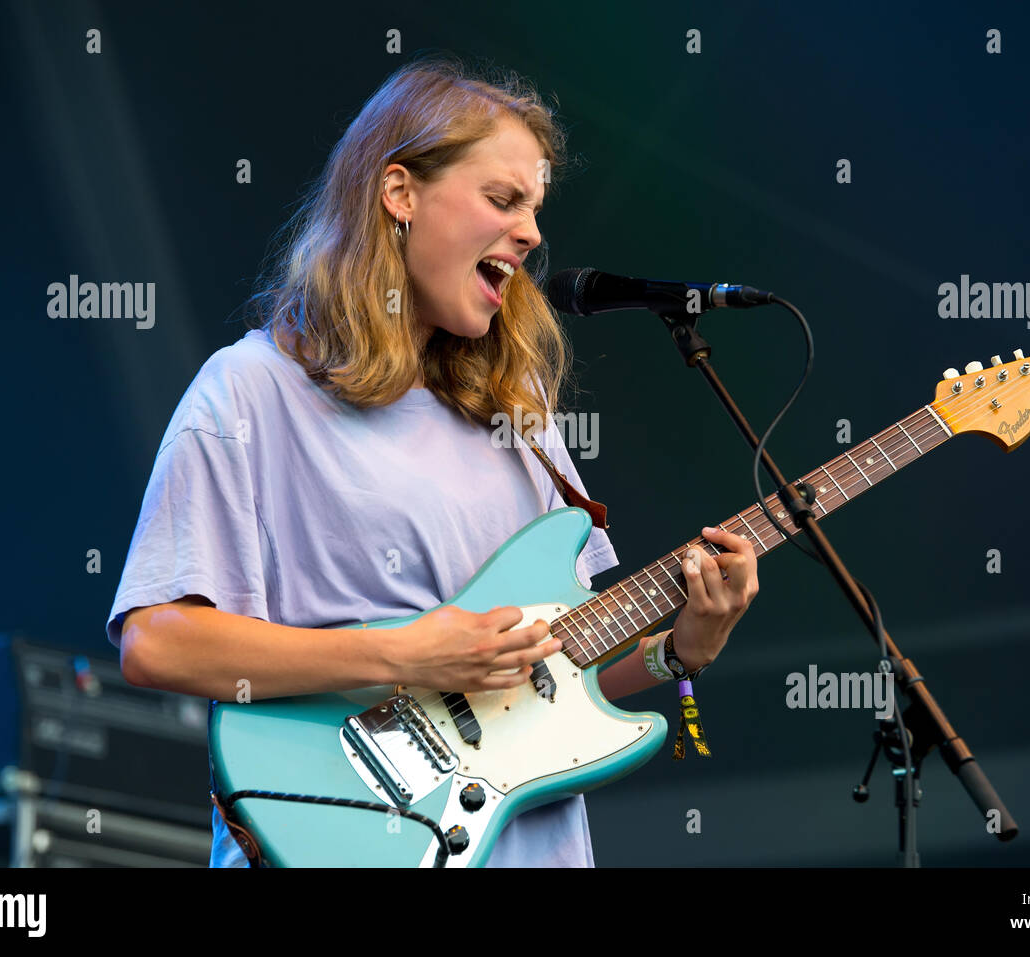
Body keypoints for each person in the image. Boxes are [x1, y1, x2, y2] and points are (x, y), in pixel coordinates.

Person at [104, 55, 759, 867]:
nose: (531, 231)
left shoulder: (518, 412)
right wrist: (405, 654)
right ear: (400, 193)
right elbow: (156, 643)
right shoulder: (250, 391)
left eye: (536, 207)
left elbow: (546, 693)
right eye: (503, 198)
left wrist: (681, 648)